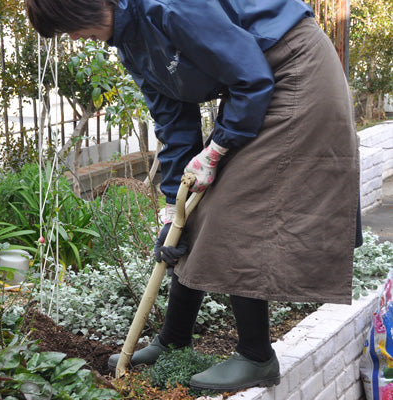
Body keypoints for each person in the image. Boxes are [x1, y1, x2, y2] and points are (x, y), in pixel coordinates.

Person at [25, 0, 363, 392]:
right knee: (195, 211)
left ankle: (256, 356)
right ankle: (173, 340)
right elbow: (174, 120)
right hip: (252, 84)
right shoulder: (130, 40)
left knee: (234, 209)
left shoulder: (168, 6)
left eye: (70, 27)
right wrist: (173, 207)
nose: (75, 38)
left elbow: (250, 76)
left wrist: (217, 150)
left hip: (292, 71)